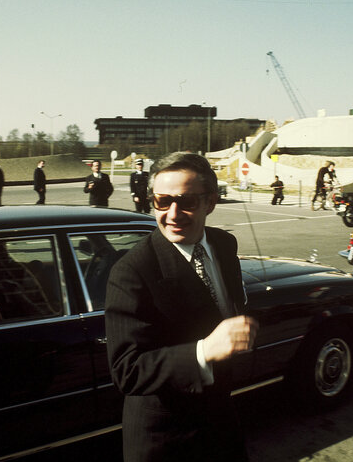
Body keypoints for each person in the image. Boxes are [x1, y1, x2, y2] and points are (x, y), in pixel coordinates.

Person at [105, 151, 258, 462]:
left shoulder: (224, 245)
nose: (172, 214)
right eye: (162, 201)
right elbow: (127, 371)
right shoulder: (132, 271)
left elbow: (224, 305)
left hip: (222, 422)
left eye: (186, 202)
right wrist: (203, 351)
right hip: (166, 438)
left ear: (210, 203)